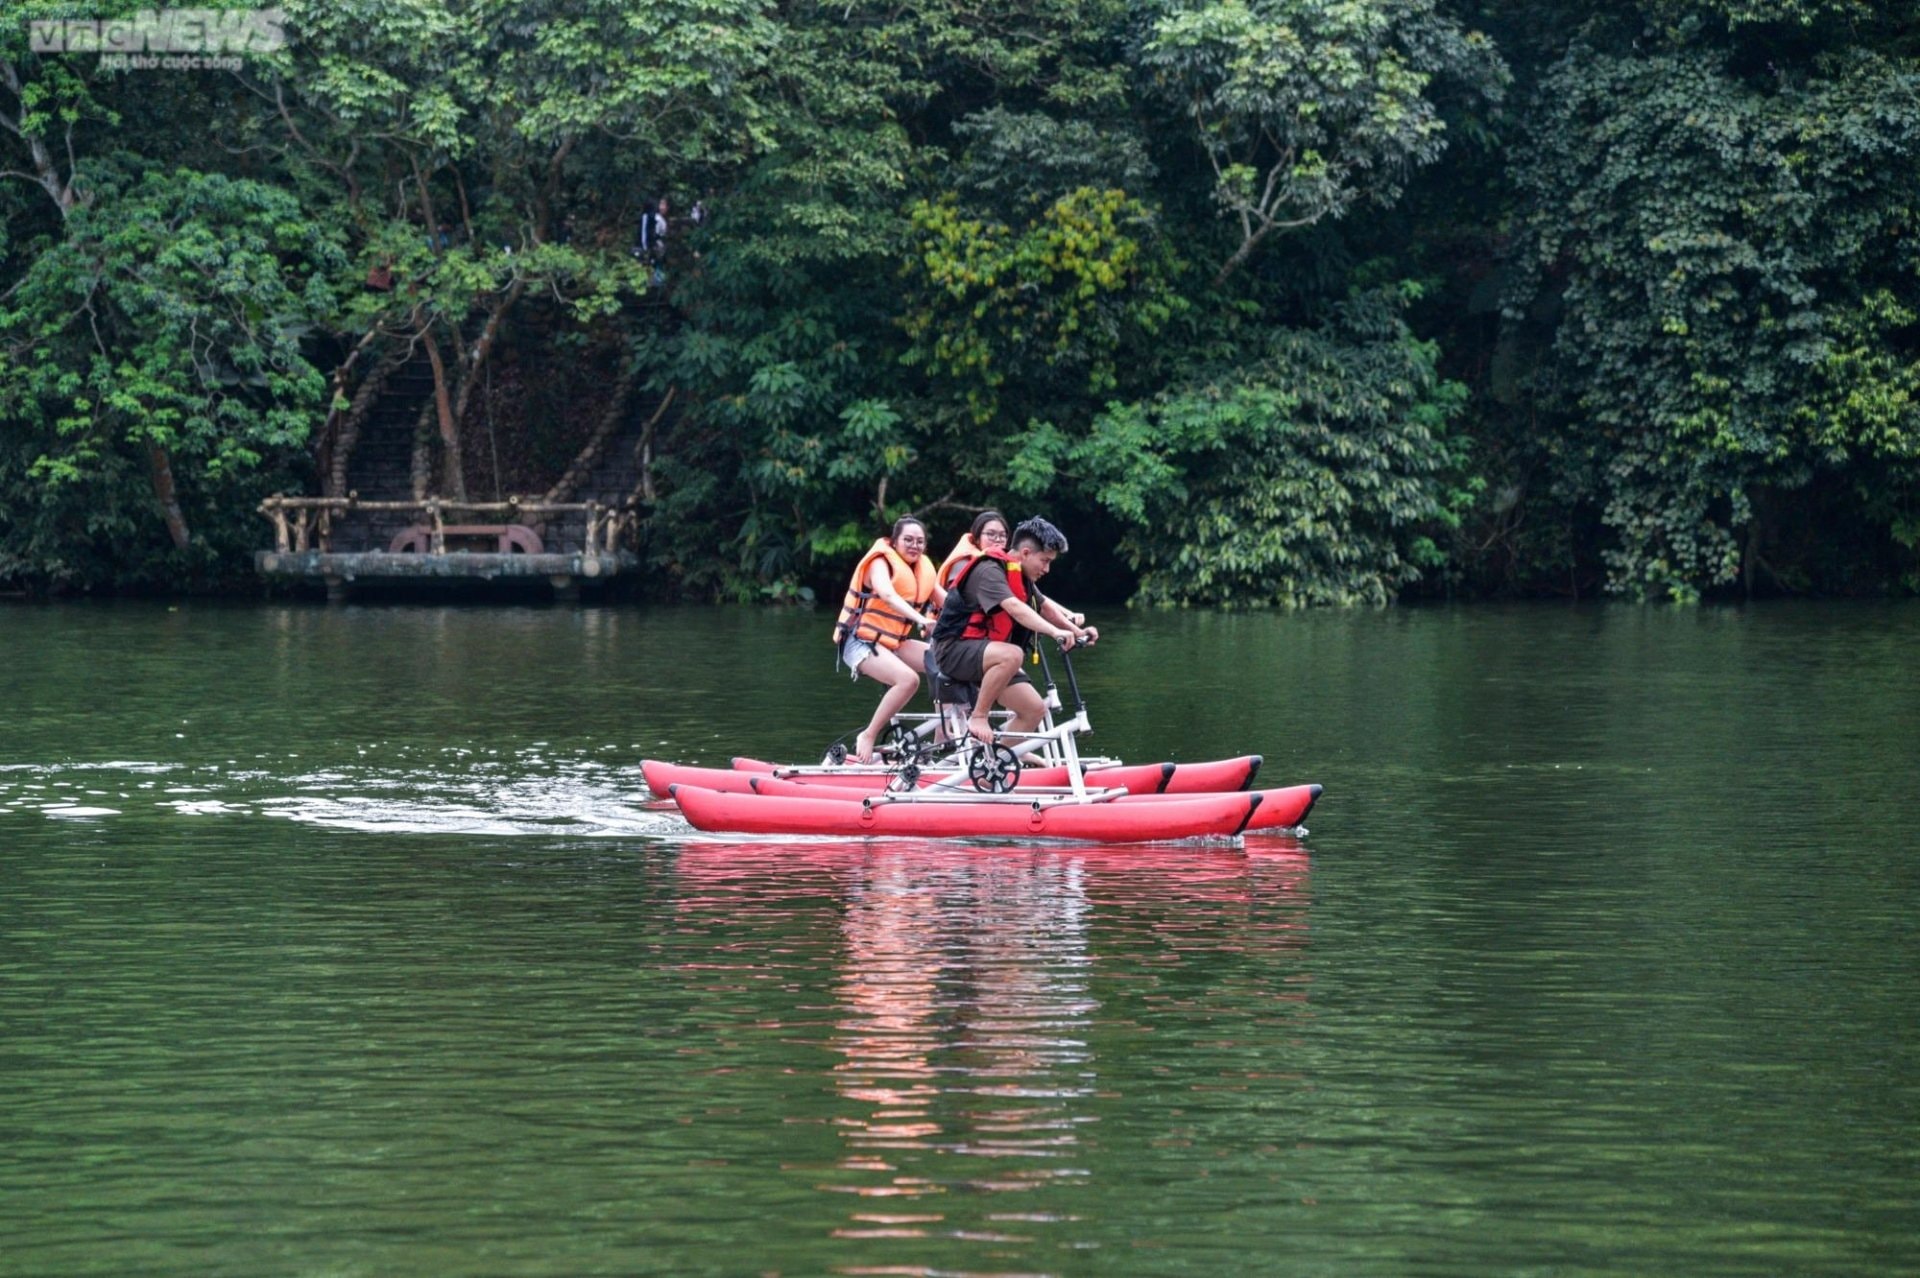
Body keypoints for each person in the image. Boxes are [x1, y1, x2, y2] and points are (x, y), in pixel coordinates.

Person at [929, 516, 1098, 745]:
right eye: (1045, 561)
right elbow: (1014, 607)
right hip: (952, 651)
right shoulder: (989, 569)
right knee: (1013, 654)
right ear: (1026, 553)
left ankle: (991, 767)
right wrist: (1054, 632)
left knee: (1034, 710)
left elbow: (1044, 607)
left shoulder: (1021, 574)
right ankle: (979, 717)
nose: (1047, 569)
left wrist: (1075, 631)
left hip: (985, 654)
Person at [832, 516, 948, 763]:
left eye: (920, 541)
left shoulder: (924, 568)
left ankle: (943, 738)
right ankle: (868, 734)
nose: (914, 546)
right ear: (894, 542)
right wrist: (920, 619)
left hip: (895, 642)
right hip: (861, 641)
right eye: (908, 540)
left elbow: (948, 602)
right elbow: (887, 593)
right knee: (908, 680)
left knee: (948, 661)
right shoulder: (880, 562)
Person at [937, 510, 1008, 590]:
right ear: (977, 538)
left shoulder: (1008, 564)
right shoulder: (963, 563)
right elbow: (951, 599)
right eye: (991, 534)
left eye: (1002, 535)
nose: (998, 539)